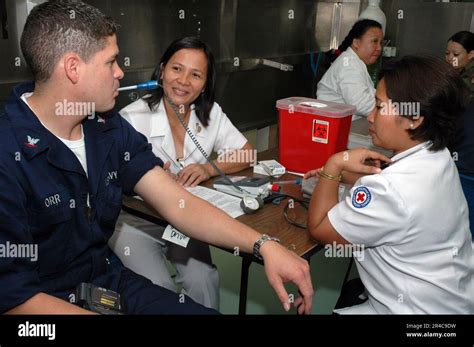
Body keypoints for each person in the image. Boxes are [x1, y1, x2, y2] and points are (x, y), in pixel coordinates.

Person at [0, 0, 313, 315]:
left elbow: (180, 203)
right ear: (73, 68)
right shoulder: (6, 153)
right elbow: (16, 299)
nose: (121, 72)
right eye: (111, 62)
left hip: (106, 283)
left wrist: (265, 245)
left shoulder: (107, 129)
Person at [306, 55, 473, 314]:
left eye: (379, 107)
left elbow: (319, 228)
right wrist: (348, 178)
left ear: (414, 118)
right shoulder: (439, 157)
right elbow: (396, 195)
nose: (370, 117)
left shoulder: (391, 190)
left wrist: (334, 166)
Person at [109, 37, 254, 310]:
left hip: (186, 220)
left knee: (204, 280)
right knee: (159, 291)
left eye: (196, 74)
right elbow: (110, 179)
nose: (184, 81)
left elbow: (247, 153)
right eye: (177, 69)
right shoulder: (132, 118)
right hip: (137, 224)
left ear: (204, 85)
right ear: (162, 70)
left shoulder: (211, 114)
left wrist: (207, 167)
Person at [316, 19, 383, 120]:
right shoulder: (349, 65)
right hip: (334, 126)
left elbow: (370, 95)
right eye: (374, 41)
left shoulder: (354, 62)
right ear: (356, 42)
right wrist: (389, 110)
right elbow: (362, 105)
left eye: (381, 43)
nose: (379, 48)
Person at [446, 31, 474, 241]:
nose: (449, 59)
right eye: (446, 53)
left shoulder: (464, 85)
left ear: (472, 54)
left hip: (465, 165)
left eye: (455, 54)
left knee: (463, 230)